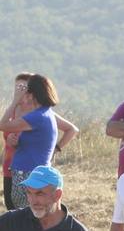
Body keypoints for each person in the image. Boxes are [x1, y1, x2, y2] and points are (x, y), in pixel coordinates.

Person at [2, 74, 74, 210]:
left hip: (27, 173)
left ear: (32, 94)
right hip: (33, 171)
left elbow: (3, 125)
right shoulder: (45, 113)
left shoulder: (37, 116)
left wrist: (15, 101)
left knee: (25, 217)